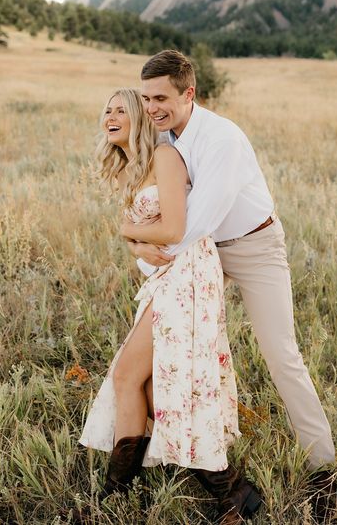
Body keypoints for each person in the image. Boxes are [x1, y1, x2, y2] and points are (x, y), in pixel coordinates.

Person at [121, 50, 337, 521]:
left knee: (281, 356)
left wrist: (140, 250)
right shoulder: (161, 137)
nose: (153, 107)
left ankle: (323, 470)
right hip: (199, 254)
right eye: (146, 98)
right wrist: (139, 245)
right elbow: (153, 207)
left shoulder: (223, 139)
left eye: (161, 97)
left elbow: (190, 224)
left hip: (252, 245)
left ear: (189, 93)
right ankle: (183, 456)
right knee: (169, 350)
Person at [79, 88, 262, 525]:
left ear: (141, 116)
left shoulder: (165, 157)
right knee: (148, 385)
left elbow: (177, 227)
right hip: (167, 276)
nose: (111, 115)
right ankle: (230, 493)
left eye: (122, 108)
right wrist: (135, 242)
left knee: (137, 376)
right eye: (107, 109)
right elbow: (148, 238)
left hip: (189, 275)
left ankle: (117, 492)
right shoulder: (132, 169)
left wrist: (128, 231)